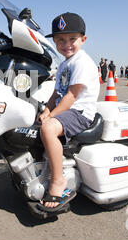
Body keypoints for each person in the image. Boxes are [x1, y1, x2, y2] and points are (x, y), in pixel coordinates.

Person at [37, 12, 99, 212]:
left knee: (47, 128)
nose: (67, 44)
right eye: (61, 40)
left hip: (80, 112)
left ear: (83, 39)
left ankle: (58, 180)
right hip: (67, 109)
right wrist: (47, 109)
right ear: (54, 41)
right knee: (36, 120)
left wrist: (51, 116)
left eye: (72, 39)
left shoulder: (81, 62)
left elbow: (71, 96)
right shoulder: (64, 64)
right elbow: (57, 92)